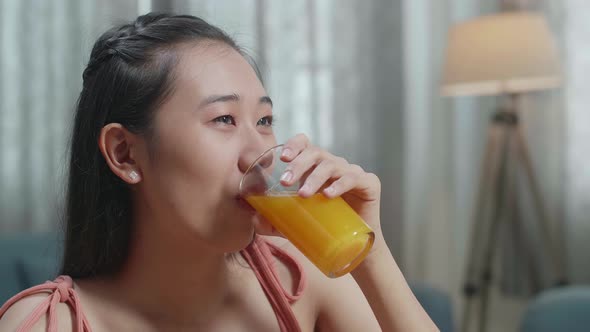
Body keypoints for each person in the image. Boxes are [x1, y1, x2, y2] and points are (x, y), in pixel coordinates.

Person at [0, 13, 438, 332]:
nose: (258, 153)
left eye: (264, 121)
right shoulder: (46, 324)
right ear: (125, 153)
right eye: (224, 120)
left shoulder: (299, 281)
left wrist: (371, 254)